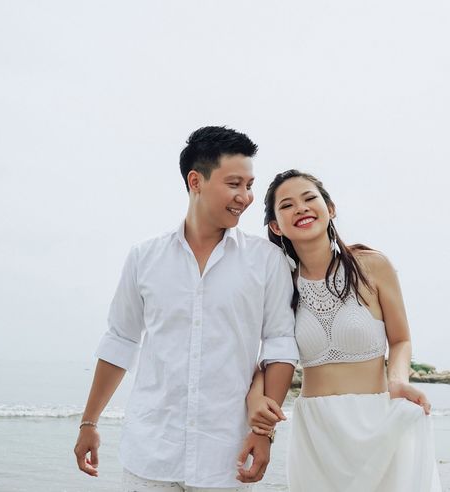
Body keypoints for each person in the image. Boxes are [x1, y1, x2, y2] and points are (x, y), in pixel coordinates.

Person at [73, 127, 299, 491]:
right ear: (196, 181)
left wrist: (264, 433)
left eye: (249, 185)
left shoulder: (267, 261)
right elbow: (120, 339)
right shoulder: (144, 257)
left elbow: (279, 344)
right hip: (150, 453)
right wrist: (89, 422)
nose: (245, 197)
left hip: (227, 458)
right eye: (234, 184)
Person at [246, 169, 441, 492]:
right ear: (276, 226)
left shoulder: (372, 266)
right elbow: (262, 352)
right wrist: (256, 399)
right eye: (287, 205)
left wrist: (398, 381)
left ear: (330, 208)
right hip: (316, 433)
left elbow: (400, 339)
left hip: (377, 421)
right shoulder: (280, 282)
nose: (301, 208)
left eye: (309, 198)